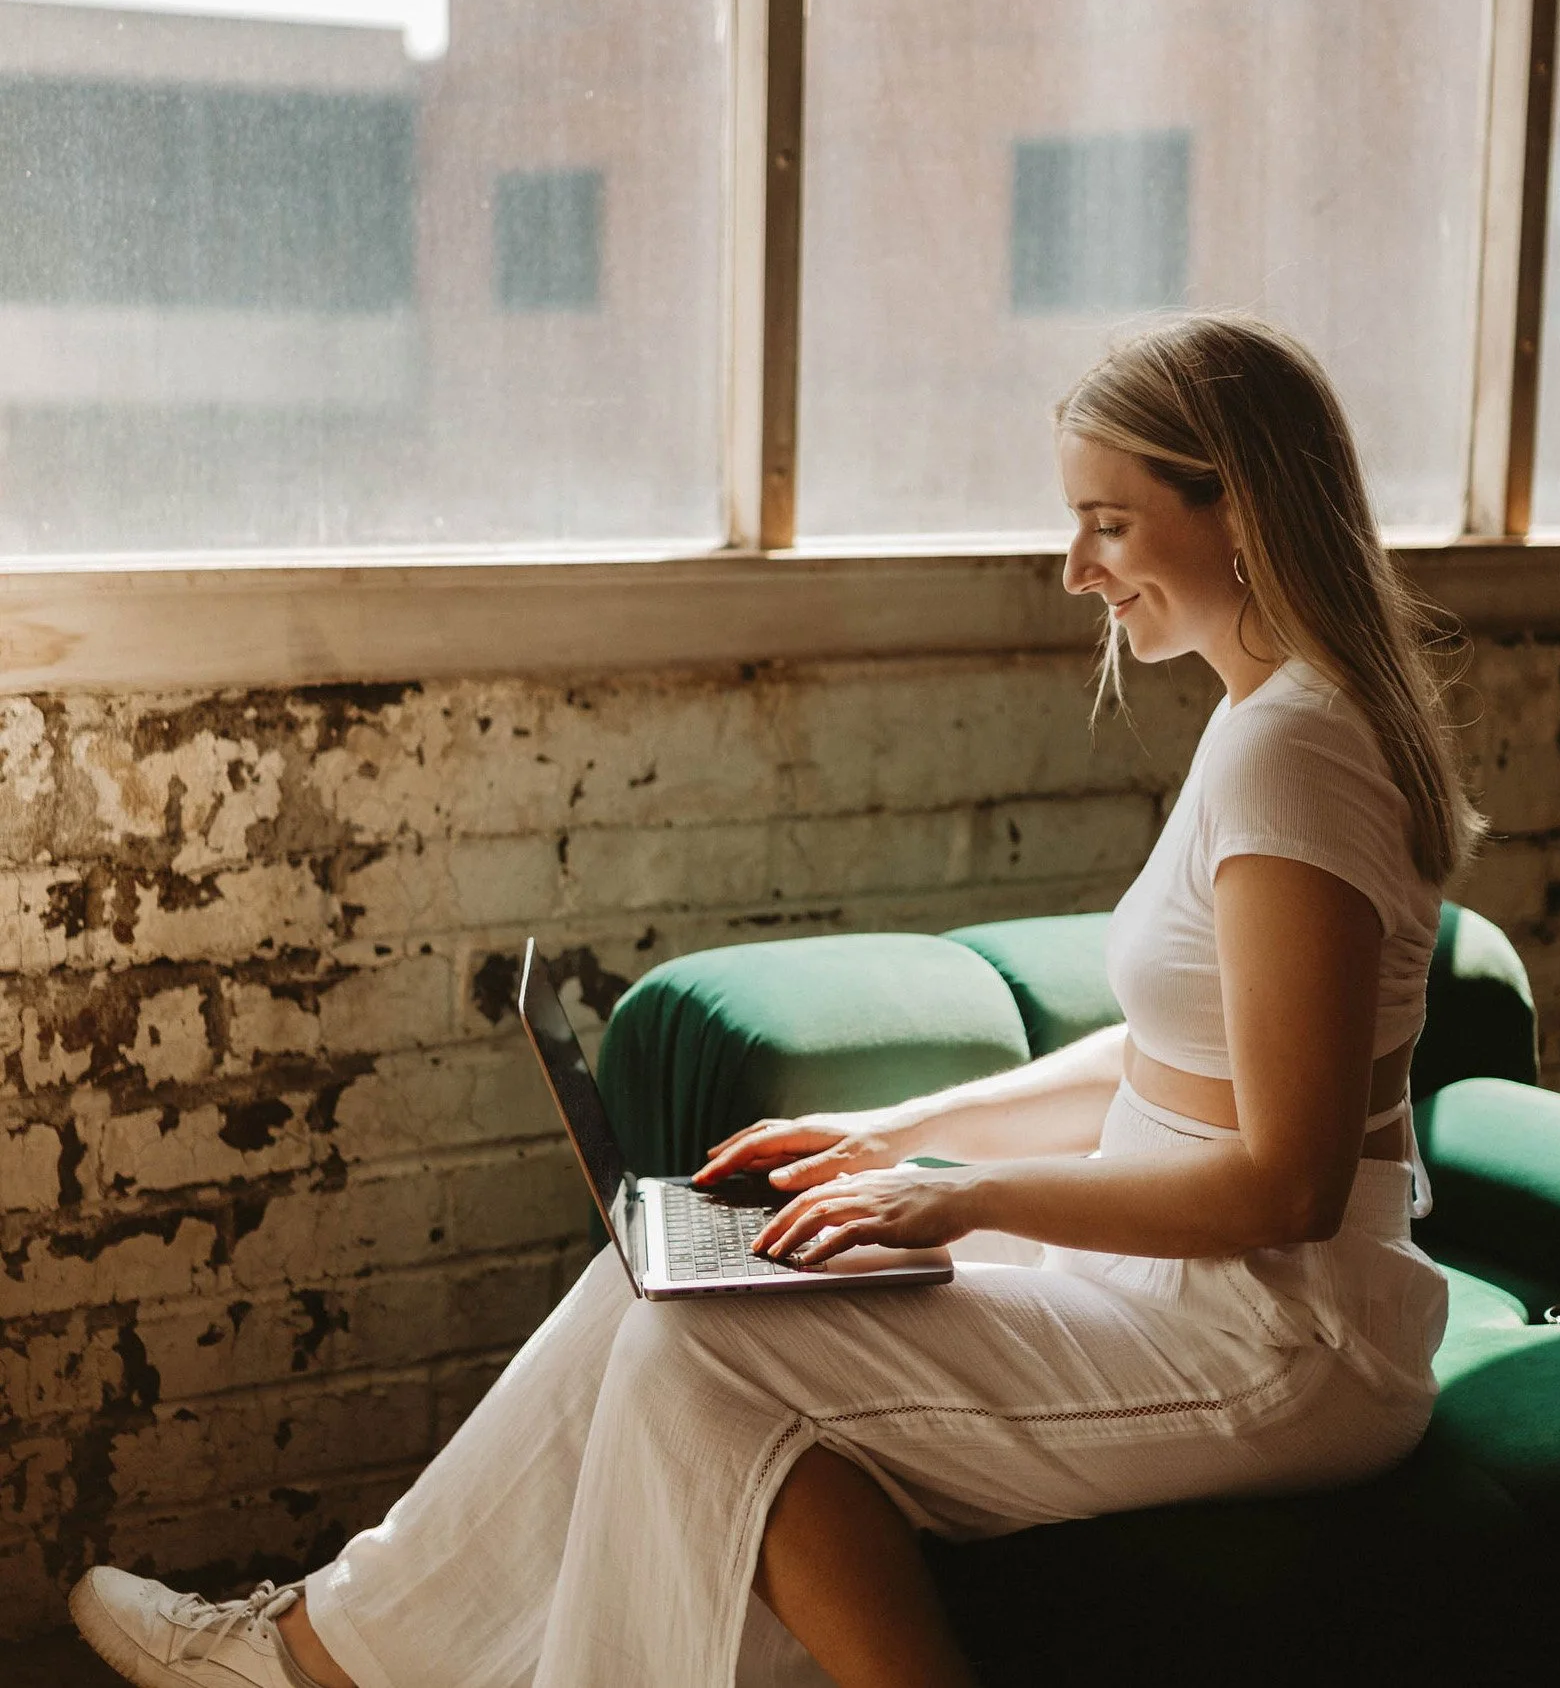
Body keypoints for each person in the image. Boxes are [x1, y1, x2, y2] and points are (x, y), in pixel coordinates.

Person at [70, 315, 1481, 1688]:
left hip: (1277, 1338)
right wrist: (888, 1134)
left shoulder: (1292, 753)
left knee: (702, 1368)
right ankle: (321, 1653)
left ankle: (315, 1662)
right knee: (660, 1279)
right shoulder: (1266, 718)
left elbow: (1289, 1183)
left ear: (1236, 504)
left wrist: (954, 1200)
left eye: (1107, 522)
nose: (1073, 569)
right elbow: (1176, 1053)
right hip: (1181, 1286)